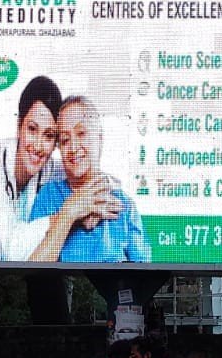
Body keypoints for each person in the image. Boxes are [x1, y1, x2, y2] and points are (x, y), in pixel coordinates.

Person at [0, 75, 125, 262]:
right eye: (32, 129)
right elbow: (12, 251)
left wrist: (95, 198)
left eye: (48, 136)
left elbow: (94, 175)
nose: (38, 146)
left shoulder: (48, 168)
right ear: (18, 126)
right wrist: (70, 212)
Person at [30, 96, 150, 263]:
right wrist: (70, 214)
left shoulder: (122, 204)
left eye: (81, 133)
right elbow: (34, 268)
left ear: (99, 138)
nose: (73, 147)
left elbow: (143, 275)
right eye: (64, 140)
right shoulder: (48, 197)